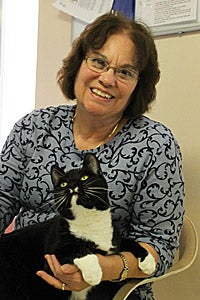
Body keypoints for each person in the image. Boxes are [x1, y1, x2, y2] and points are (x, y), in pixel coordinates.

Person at [0, 13, 184, 300]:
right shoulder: (33, 126)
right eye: (98, 61)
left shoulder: (156, 145)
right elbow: (3, 198)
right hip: (21, 273)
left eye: (125, 72)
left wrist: (100, 268)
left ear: (138, 84)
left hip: (104, 285)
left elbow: (160, 246)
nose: (107, 78)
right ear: (79, 65)